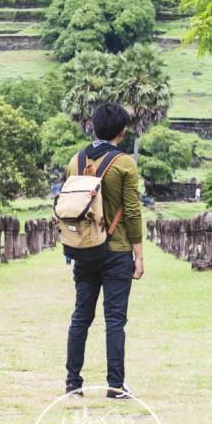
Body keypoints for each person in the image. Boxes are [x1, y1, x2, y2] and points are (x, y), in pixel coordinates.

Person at [64, 102, 143, 399]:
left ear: (93, 127)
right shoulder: (125, 164)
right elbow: (132, 211)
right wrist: (139, 255)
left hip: (84, 249)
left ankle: (73, 383)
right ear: (121, 132)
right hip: (117, 250)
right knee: (115, 320)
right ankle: (115, 385)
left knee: (80, 317)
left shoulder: (76, 160)